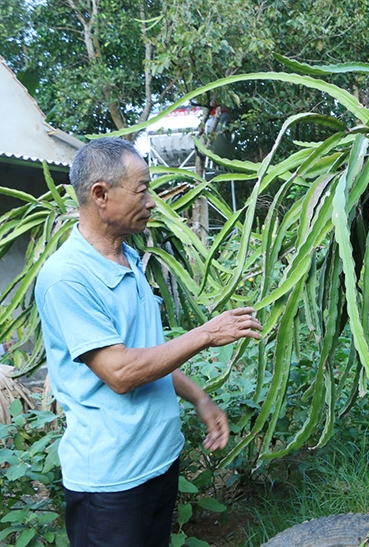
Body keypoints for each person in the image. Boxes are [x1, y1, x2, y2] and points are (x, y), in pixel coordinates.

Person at [34, 137, 263, 547]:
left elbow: (148, 353)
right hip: (110, 484)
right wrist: (207, 334)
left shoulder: (129, 258)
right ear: (100, 195)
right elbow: (121, 372)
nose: (153, 201)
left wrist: (199, 398)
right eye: (142, 190)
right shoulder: (66, 278)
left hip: (157, 462)